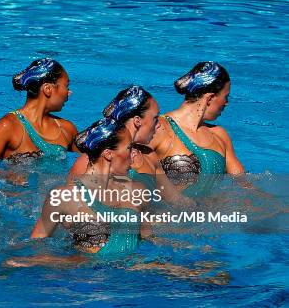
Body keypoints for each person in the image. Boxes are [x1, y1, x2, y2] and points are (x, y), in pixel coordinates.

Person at [30, 118, 150, 257]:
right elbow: (36, 247)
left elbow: (148, 241)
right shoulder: (64, 197)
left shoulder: (138, 192)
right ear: (108, 154)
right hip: (86, 275)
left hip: (132, 274)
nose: (134, 154)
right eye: (129, 148)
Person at [149, 62, 244, 195]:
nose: (226, 103)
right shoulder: (158, 128)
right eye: (225, 97)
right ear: (210, 98)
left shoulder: (220, 135)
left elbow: (244, 185)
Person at [0, 58, 78, 169]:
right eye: (66, 86)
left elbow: (89, 166)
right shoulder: (8, 127)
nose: (70, 92)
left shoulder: (67, 129)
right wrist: (7, 175)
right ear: (48, 89)